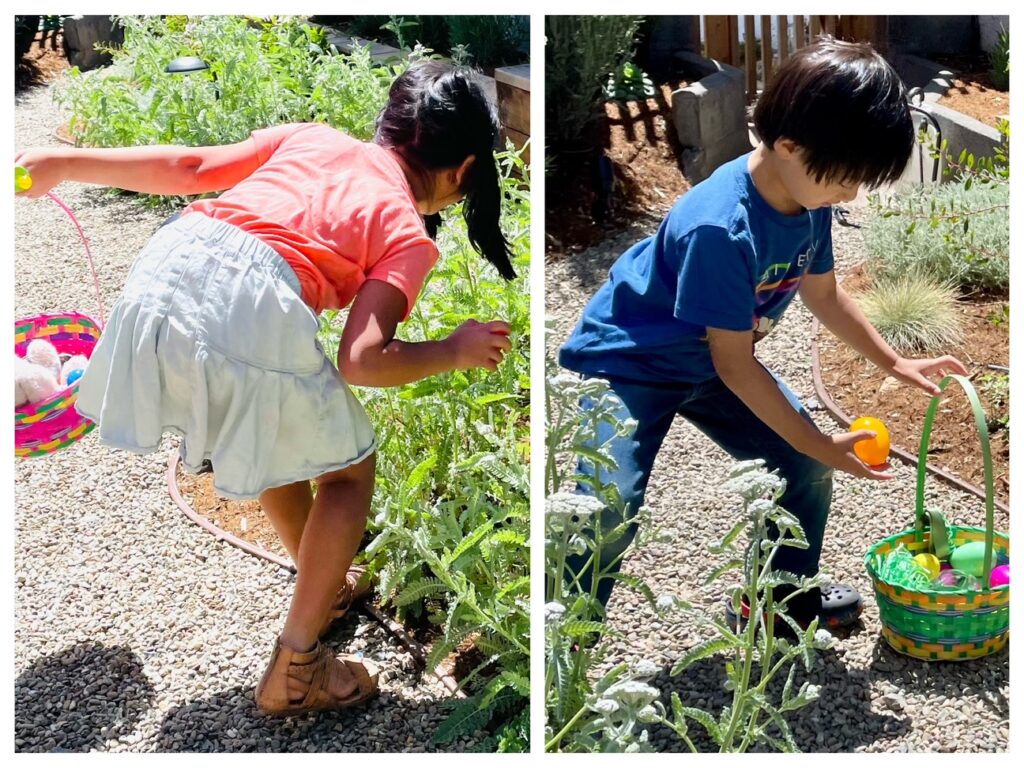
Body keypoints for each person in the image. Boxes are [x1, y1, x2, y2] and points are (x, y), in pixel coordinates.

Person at [16, 60, 516, 715]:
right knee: (349, 471)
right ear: (462, 172)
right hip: (241, 306)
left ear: (387, 125)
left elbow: (191, 169)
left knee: (281, 427)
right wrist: (452, 350)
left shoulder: (313, 137)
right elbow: (362, 360)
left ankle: (325, 585)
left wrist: (63, 161)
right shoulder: (405, 230)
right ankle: (299, 666)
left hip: (164, 271)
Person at [559, 38, 967, 631]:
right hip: (632, 362)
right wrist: (815, 439)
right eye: (844, 180)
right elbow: (736, 366)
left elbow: (823, 295)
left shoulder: (808, 200)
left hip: (707, 360)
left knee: (801, 471)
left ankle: (779, 607)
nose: (850, 195)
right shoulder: (721, 229)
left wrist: (893, 363)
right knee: (606, 506)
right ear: (788, 146)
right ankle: (563, 647)